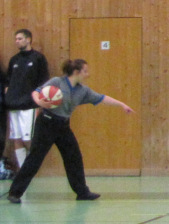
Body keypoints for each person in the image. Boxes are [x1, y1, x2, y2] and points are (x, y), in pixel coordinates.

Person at [7, 58, 134, 204]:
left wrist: (121, 104)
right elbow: (37, 92)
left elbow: (102, 98)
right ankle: (15, 193)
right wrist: (39, 101)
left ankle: (82, 192)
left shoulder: (83, 90)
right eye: (85, 71)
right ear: (76, 72)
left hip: (63, 126)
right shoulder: (57, 82)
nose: (88, 74)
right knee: (35, 159)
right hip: (46, 123)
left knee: (74, 157)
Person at [5, 29, 49, 168]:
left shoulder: (38, 58)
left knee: (28, 138)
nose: (17, 41)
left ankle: (32, 168)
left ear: (28, 39)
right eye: (16, 39)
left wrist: (39, 102)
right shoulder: (14, 60)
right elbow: (8, 80)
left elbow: (44, 81)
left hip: (29, 105)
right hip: (13, 104)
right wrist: (8, 92)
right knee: (16, 138)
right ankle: (23, 170)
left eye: (20, 39)